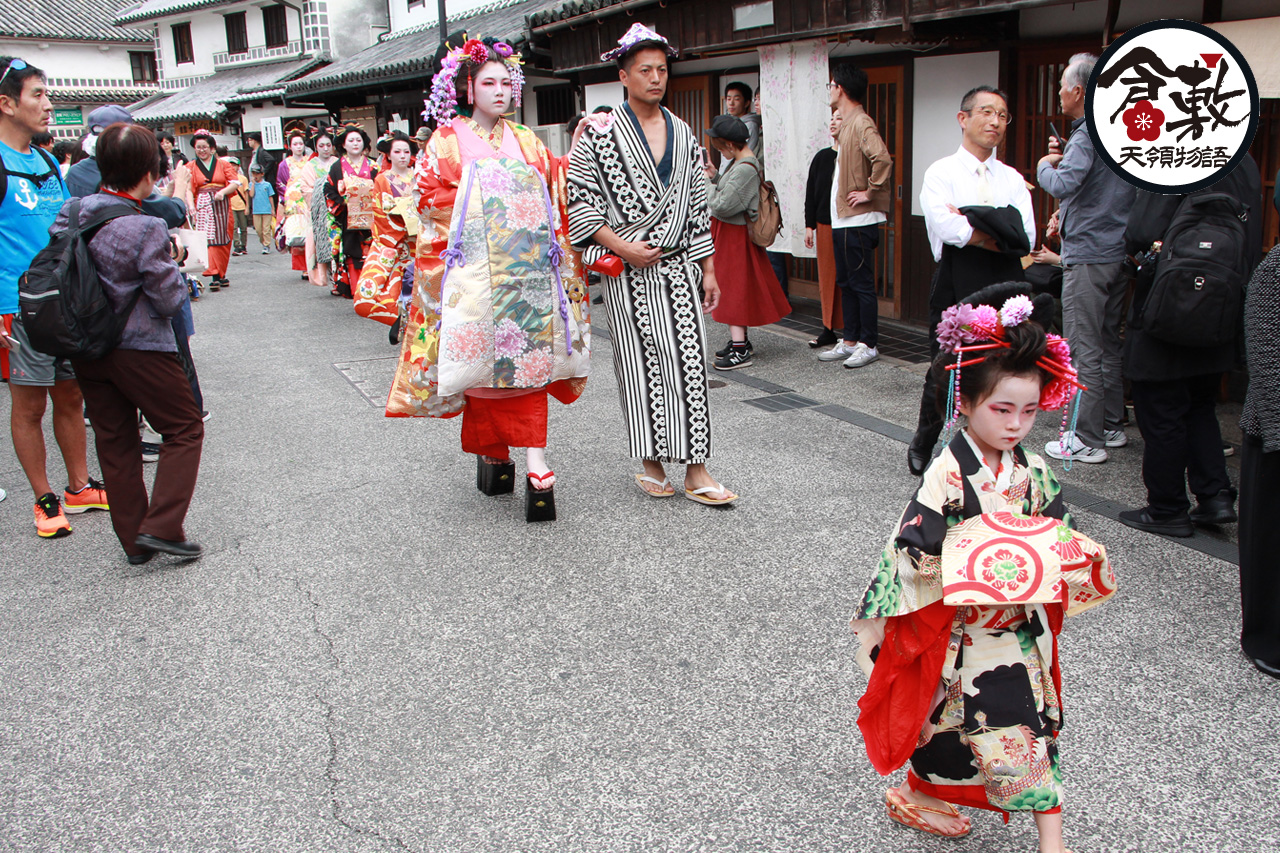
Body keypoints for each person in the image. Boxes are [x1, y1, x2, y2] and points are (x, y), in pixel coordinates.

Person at [851, 297, 1110, 852]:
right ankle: (920, 792)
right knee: (946, 726)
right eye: (1002, 409)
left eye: (1030, 411)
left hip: (1016, 630)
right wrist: (977, 562)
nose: (1017, 425)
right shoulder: (947, 474)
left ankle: (1052, 841)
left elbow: (1058, 534)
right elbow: (911, 554)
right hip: (959, 626)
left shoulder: (1033, 471)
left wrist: (1073, 555)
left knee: (1024, 728)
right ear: (966, 403)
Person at [385, 36, 590, 521]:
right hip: (475, 276)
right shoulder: (445, 140)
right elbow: (428, 200)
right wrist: (490, 196)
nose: (500, 91)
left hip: (526, 278)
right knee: (481, 368)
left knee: (529, 365)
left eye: (506, 82)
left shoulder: (526, 139)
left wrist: (576, 150)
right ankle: (498, 455)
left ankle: (534, 463)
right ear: (468, 89)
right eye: (489, 83)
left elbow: (553, 182)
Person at [568, 23, 736, 505]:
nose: (656, 78)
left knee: (689, 360)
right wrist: (620, 246)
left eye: (662, 70)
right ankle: (651, 462)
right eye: (645, 70)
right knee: (641, 364)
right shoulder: (599, 134)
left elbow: (698, 204)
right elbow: (580, 202)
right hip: (629, 274)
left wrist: (708, 269)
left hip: (680, 266)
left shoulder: (684, 133)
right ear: (623, 75)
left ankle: (697, 470)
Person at [59, 123, 204, 564]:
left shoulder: (72, 212)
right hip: (138, 346)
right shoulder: (145, 227)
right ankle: (161, 526)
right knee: (184, 426)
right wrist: (177, 262)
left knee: (115, 438)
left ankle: (134, 542)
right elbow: (167, 299)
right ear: (147, 173)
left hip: (85, 344)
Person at [1117, 153, 1262, 537]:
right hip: (1221, 303)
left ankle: (1167, 508)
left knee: (1160, 408)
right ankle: (1215, 495)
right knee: (1199, 404)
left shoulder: (1174, 156)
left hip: (1170, 304)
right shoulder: (1244, 161)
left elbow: (1140, 229)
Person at [0, 55, 108, 537]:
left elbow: (68, 227)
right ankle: (44, 499)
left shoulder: (45, 159)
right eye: (37, 95)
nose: (48, 105)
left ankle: (79, 487)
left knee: (71, 394)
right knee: (29, 405)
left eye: (47, 94)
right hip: (15, 305)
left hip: (61, 300)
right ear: (6, 104)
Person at [908, 85, 1034, 476]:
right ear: (964, 118)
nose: (995, 121)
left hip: (1006, 283)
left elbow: (1024, 237)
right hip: (955, 278)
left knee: (1003, 365)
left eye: (1002, 114)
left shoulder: (1012, 178)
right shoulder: (941, 172)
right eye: (986, 112)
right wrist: (996, 227)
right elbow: (950, 231)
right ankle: (925, 436)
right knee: (947, 365)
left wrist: (970, 217)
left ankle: (992, 449)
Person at [1035, 53, 1135, 464]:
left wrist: (1044, 164)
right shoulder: (1117, 128)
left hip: (1089, 254)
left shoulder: (1087, 133)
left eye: (1062, 84)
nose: (1058, 91)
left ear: (1078, 90)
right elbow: (1099, 191)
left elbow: (1064, 181)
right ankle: (1110, 424)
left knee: (1083, 348)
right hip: (1116, 252)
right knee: (1108, 344)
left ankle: (1086, 437)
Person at [816, 64, 893, 370]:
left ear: (841, 88)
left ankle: (869, 343)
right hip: (844, 220)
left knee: (860, 284)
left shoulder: (861, 122)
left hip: (859, 221)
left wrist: (869, 192)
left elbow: (882, 159)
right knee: (846, 281)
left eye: (831, 85)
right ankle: (850, 340)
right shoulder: (848, 123)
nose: (830, 90)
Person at [703, 114, 789, 370]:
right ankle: (740, 342)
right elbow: (730, 194)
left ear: (729, 145)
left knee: (731, 290)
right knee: (735, 287)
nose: (719, 150)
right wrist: (716, 176)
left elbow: (722, 204)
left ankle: (740, 349)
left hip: (734, 235)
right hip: (734, 234)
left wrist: (707, 183)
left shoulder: (745, 167)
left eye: (720, 146)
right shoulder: (743, 164)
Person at [1240, 244, 1280, 680]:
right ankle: (1268, 638)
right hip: (1273, 424)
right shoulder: (1276, 267)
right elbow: (1266, 353)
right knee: (1270, 542)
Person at [354, 130, 418, 326]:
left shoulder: (419, 177)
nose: (402, 156)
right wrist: (404, 215)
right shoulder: (382, 179)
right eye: (397, 152)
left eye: (406, 152)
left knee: (416, 292)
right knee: (366, 297)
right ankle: (402, 322)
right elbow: (380, 211)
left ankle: (414, 326)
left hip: (417, 243)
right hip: (391, 243)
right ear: (388, 155)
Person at [803, 110, 843, 348]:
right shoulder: (822, 157)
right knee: (827, 277)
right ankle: (828, 328)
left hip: (848, 224)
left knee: (848, 278)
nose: (833, 122)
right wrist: (809, 226)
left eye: (839, 118)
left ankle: (851, 331)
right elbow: (811, 193)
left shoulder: (852, 157)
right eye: (832, 118)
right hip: (824, 223)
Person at [324, 125, 377, 298]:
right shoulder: (337, 167)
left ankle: (371, 288)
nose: (355, 144)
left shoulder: (373, 165)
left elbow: (382, 188)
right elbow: (329, 189)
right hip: (346, 215)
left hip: (370, 216)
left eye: (358, 140)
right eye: (351, 140)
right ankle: (353, 287)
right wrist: (343, 201)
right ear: (343, 145)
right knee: (350, 250)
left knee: (370, 249)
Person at [184, 129, 239, 291]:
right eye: (198, 147)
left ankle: (221, 273)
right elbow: (188, 188)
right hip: (203, 205)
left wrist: (222, 192)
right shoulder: (191, 166)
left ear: (212, 148)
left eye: (205, 147)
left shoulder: (223, 164)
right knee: (208, 239)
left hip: (221, 203)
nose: (202, 150)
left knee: (224, 237)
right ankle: (214, 274)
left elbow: (235, 182)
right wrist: (191, 206)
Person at [275, 126, 314, 276]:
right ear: (289, 146)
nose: (298, 147)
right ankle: (303, 266)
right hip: (293, 201)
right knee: (297, 232)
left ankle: (312, 264)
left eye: (300, 143)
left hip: (307, 198)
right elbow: (280, 183)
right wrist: (288, 197)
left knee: (309, 230)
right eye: (295, 144)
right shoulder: (285, 164)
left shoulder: (309, 161)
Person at [306, 129, 338, 287]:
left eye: (328, 145)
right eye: (321, 145)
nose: (326, 148)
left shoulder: (337, 162)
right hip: (321, 210)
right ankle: (329, 277)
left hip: (337, 207)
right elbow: (306, 189)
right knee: (323, 243)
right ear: (316, 147)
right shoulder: (310, 166)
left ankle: (340, 278)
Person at [723, 81, 759, 156]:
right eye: (729, 99)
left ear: (746, 103)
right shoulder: (730, 123)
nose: (731, 103)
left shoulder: (750, 125)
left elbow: (746, 155)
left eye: (736, 99)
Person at [247, 165, 274, 253]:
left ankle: (266, 245)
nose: (255, 175)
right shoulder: (251, 184)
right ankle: (263, 242)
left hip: (266, 209)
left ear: (262, 174)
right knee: (258, 230)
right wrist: (253, 184)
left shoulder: (267, 185)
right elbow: (251, 195)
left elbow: (270, 197)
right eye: (254, 173)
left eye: (257, 173)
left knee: (266, 229)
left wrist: (273, 209)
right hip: (256, 210)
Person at [227, 155, 249, 255]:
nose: (232, 167)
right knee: (234, 227)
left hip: (241, 205)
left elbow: (246, 193)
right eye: (230, 165)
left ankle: (244, 245)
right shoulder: (227, 179)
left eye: (234, 165)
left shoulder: (243, 179)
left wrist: (248, 206)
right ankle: (237, 246)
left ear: (238, 166)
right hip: (231, 205)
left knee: (243, 227)